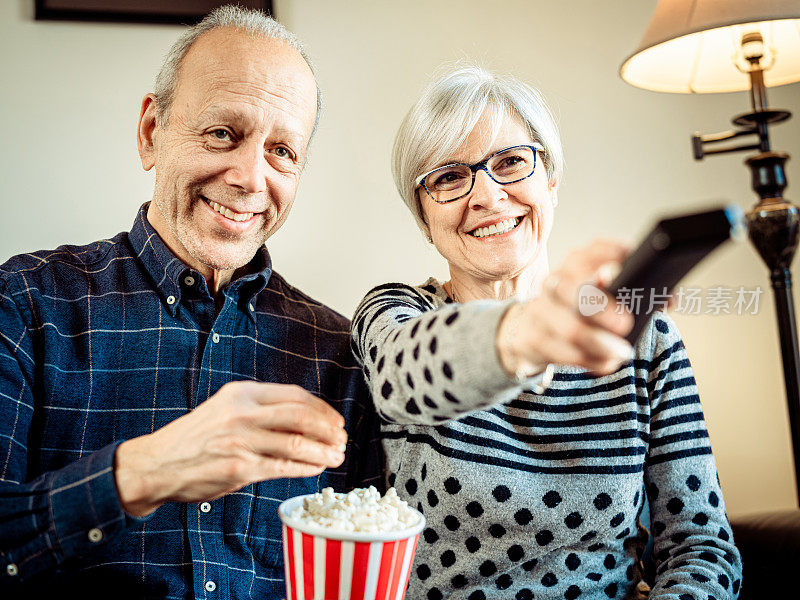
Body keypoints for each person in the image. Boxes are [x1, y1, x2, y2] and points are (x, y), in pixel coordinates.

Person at [0, 5, 380, 598]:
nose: (252, 178)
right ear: (152, 132)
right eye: (223, 133)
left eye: (283, 150)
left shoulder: (341, 354)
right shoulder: (26, 306)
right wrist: (142, 473)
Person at [351, 64, 742, 600]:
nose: (487, 197)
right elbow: (400, 378)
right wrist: (521, 336)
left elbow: (702, 548)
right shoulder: (396, 315)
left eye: (511, 162)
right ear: (423, 218)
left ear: (551, 181)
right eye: (448, 177)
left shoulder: (644, 336)